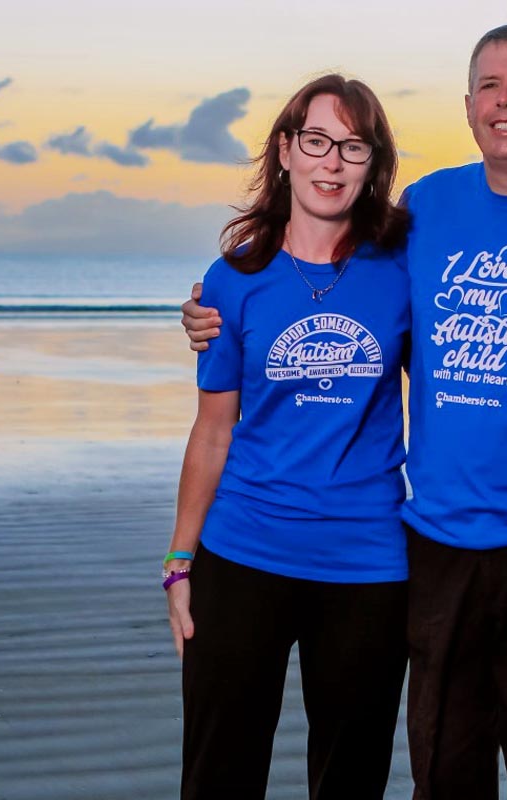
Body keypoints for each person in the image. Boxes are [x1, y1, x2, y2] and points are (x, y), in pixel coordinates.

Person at [182, 24, 507, 800]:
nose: (506, 102)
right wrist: (214, 312)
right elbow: (341, 303)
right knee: (441, 771)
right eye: (490, 86)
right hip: (421, 546)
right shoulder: (424, 210)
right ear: (468, 106)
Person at [163, 73, 412, 800]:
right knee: (218, 779)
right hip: (243, 554)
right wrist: (179, 561)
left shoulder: (404, 273)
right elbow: (213, 432)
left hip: (368, 565)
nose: (332, 162)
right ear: (284, 150)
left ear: (373, 164)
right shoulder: (234, 279)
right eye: (317, 141)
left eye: (353, 147)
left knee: (351, 783)